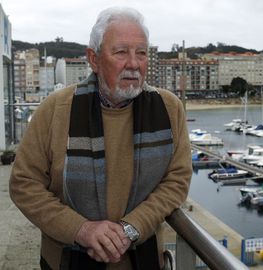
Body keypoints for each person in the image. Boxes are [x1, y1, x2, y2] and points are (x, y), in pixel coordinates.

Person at [9, 6, 192, 270]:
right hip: (66, 262)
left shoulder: (169, 109)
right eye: (120, 52)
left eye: (141, 53)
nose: (133, 63)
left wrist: (131, 229)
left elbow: (176, 181)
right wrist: (81, 230)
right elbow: (24, 184)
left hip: (145, 262)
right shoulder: (55, 109)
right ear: (93, 59)